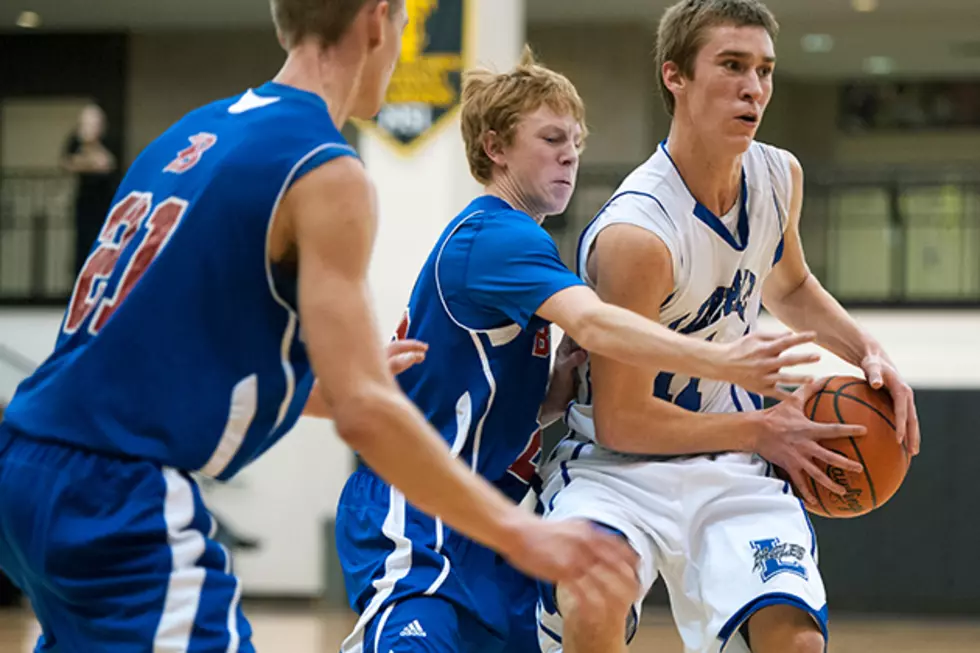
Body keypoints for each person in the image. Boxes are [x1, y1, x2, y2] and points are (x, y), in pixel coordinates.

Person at [0, 2, 637, 651]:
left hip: (23, 463)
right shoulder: (324, 167)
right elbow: (365, 417)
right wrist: (522, 532)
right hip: (116, 489)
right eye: (403, 29)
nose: (398, 50)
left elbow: (159, 347)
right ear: (375, 19)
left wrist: (328, 380)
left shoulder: (189, 135)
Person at [319, 47, 822, 653]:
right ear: (495, 148)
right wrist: (721, 360)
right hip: (420, 508)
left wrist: (552, 393)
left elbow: (480, 401)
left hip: (494, 514)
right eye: (552, 138)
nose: (571, 154)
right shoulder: (494, 237)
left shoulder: (521, 244)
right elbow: (600, 324)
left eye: (577, 141)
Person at [535, 2, 921, 652]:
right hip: (618, 470)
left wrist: (869, 351)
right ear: (675, 77)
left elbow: (790, 284)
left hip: (732, 466)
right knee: (593, 605)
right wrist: (763, 427)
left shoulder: (779, 176)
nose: (755, 88)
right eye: (733, 66)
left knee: (796, 643)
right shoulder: (640, 233)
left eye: (765, 70)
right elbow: (623, 419)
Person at [62, 103, 119, 275]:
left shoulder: (108, 141)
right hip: (85, 200)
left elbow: (107, 165)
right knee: (82, 245)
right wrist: (89, 161)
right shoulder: (75, 140)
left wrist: (91, 145)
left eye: (95, 121)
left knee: (103, 244)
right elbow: (68, 164)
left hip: (105, 201)